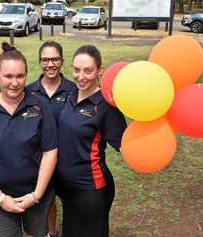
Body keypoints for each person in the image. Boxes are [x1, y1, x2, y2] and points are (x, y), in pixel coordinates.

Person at [0, 42, 58, 237]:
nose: (14, 83)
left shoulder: (39, 106)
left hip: (36, 194)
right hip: (0, 197)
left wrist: (37, 195)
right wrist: (0, 198)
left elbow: (50, 152)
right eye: (8, 76)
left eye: (20, 76)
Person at [56, 45, 127, 237]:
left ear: (100, 70)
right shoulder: (69, 94)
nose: (81, 76)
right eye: (76, 70)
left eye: (88, 70)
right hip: (66, 187)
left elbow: (126, 146)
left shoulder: (106, 105)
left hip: (91, 189)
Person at [27, 40, 76, 237]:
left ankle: (61, 231)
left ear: (62, 61)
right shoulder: (28, 91)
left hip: (68, 158)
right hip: (39, 159)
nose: (50, 64)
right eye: (45, 60)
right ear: (39, 62)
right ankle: (49, 233)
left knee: (70, 200)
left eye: (55, 59)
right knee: (46, 199)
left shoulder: (74, 90)